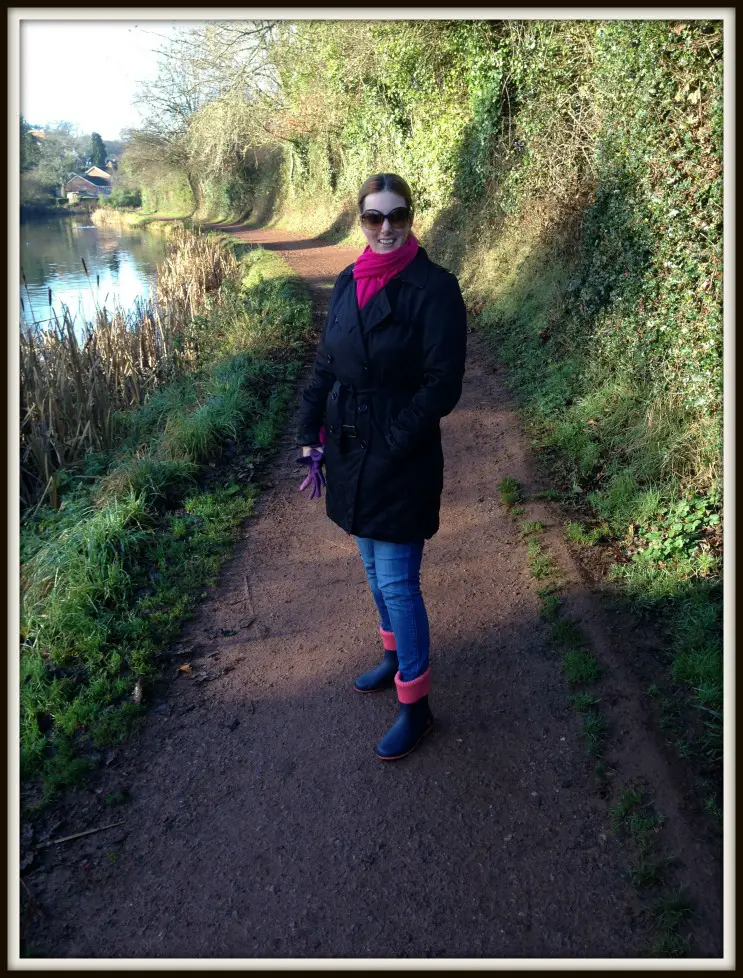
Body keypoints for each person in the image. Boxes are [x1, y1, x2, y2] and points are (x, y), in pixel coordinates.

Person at [295, 172, 467, 761]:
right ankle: (393, 656)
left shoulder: (435, 288)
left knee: (397, 580)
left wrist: (394, 439)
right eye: (375, 218)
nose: (386, 228)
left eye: (397, 216)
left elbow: (443, 384)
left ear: (411, 218)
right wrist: (307, 433)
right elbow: (325, 366)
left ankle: (415, 705)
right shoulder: (348, 281)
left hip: (401, 453)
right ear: (361, 221)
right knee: (372, 570)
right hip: (346, 449)